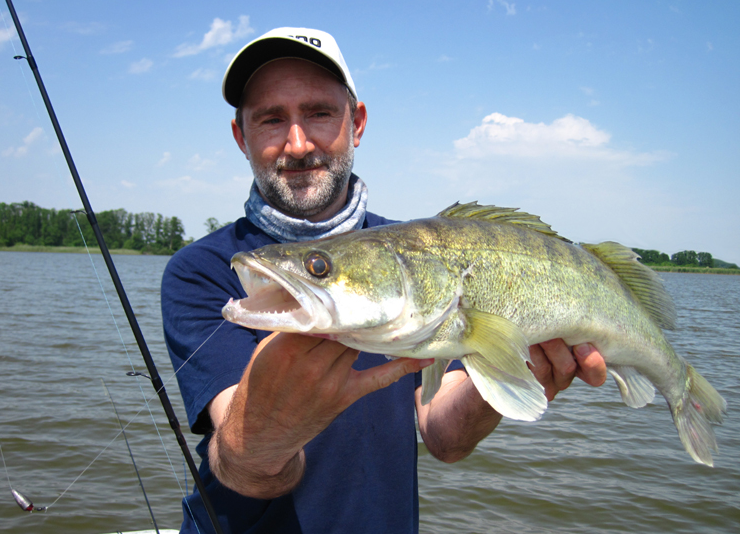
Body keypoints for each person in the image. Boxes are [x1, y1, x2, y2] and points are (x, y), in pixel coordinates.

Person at [161, 27, 607, 534]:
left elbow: (445, 437)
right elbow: (244, 468)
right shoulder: (201, 271)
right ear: (242, 137)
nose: (298, 142)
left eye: (320, 112)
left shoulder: (422, 260)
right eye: (270, 119)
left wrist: (507, 373)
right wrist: (264, 433)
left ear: (358, 123)